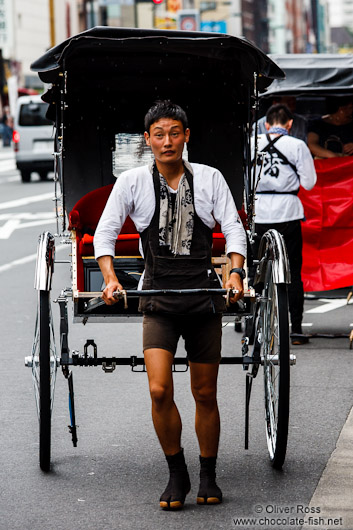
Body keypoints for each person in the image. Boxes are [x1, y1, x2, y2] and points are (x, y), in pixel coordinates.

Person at [94, 100, 247, 510]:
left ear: (186, 136)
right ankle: (176, 471)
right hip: (158, 298)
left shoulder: (211, 179)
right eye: (158, 134)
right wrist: (110, 278)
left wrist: (234, 273)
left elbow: (233, 227)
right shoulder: (131, 182)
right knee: (160, 389)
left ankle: (209, 475)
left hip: (202, 298)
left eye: (174, 132)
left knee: (205, 392)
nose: (167, 141)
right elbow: (104, 233)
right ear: (147, 140)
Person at [253, 104, 317, 345]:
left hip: (259, 214)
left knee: (256, 271)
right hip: (288, 213)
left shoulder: (252, 142)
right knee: (293, 272)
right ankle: (297, 330)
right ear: (289, 124)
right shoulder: (297, 145)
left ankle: (253, 326)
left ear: (267, 124)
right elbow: (309, 183)